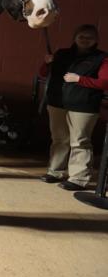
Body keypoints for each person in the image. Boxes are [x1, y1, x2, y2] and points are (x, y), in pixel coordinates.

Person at [40, 24, 108, 190]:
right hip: (57, 103)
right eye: (81, 36)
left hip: (83, 106)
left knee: (79, 142)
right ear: (75, 37)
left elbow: (105, 82)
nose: (85, 40)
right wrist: (46, 63)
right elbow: (43, 74)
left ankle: (79, 178)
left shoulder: (102, 58)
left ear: (96, 40)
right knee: (59, 140)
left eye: (89, 37)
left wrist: (79, 79)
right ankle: (56, 171)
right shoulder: (62, 54)